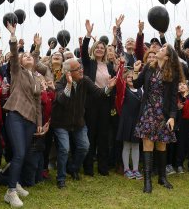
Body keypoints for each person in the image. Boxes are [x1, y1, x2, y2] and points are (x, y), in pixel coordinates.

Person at [2, 22, 48, 208]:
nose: (27, 57)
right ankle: (10, 192)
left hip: (30, 119)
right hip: (15, 115)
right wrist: (13, 36)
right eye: (25, 56)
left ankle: (15, 182)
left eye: (30, 56)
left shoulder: (36, 78)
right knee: (20, 153)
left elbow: (38, 102)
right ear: (20, 62)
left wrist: (39, 122)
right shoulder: (17, 72)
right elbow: (14, 55)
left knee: (22, 155)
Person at [51, 57, 116, 189]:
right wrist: (69, 85)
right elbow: (62, 100)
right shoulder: (59, 83)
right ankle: (61, 178)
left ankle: (73, 168)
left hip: (78, 122)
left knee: (84, 146)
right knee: (64, 149)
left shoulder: (85, 80)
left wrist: (108, 88)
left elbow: (98, 93)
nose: (81, 70)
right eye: (78, 69)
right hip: (61, 123)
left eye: (81, 67)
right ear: (68, 73)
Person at [133, 42, 183, 193]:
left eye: (162, 49)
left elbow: (174, 97)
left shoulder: (172, 73)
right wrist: (136, 71)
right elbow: (136, 83)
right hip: (148, 110)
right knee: (147, 144)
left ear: (167, 56)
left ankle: (162, 177)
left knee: (162, 144)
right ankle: (147, 181)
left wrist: (173, 116)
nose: (158, 50)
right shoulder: (149, 67)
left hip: (163, 113)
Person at [80, 19, 116, 177]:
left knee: (103, 135)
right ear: (93, 49)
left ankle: (103, 167)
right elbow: (83, 52)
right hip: (91, 103)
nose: (100, 49)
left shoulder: (108, 66)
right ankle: (88, 168)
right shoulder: (89, 63)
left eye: (103, 48)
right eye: (98, 47)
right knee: (91, 134)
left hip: (105, 102)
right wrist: (88, 35)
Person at [115, 57, 144, 180]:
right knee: (126, 145)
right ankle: (127, 169)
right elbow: (118, 80)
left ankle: (136, 169)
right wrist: (121, 65)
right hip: (126, 121)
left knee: (136, 146)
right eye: (128, 77)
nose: (131, 79)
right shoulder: (123, 90)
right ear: (125, 79)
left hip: (137, 121)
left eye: (133, 77)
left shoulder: (141, 90)